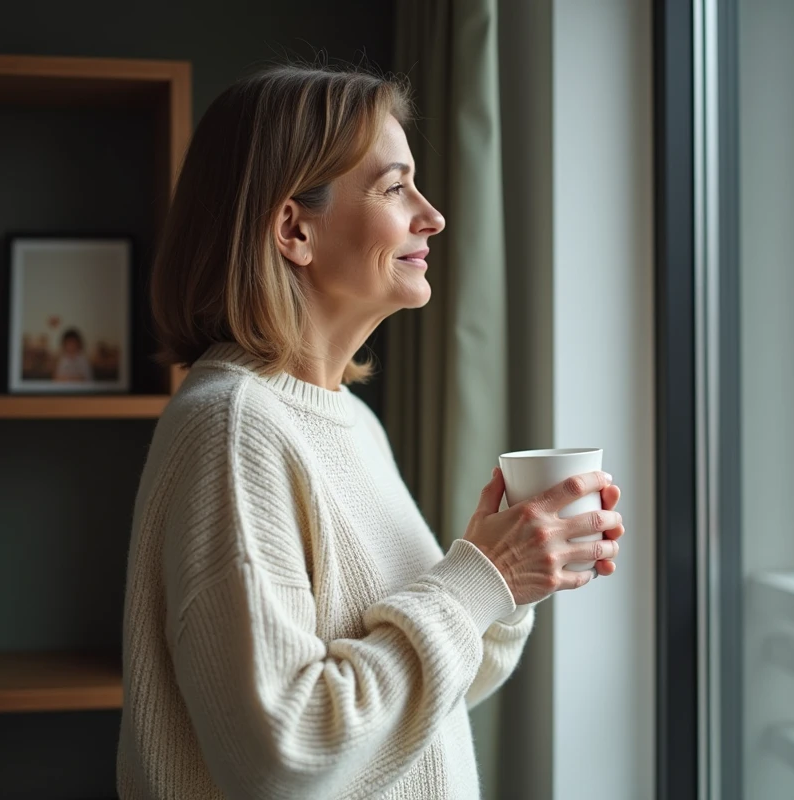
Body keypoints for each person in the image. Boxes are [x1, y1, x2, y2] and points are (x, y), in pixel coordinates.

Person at [116, 64, 625, 800]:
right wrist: (482, 577)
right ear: (294, 228)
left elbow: (413, 710)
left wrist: (509, 581)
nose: (433, 215)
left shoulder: (350, 423)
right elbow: (285, 758)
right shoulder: (234, 428)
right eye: (394, 188)